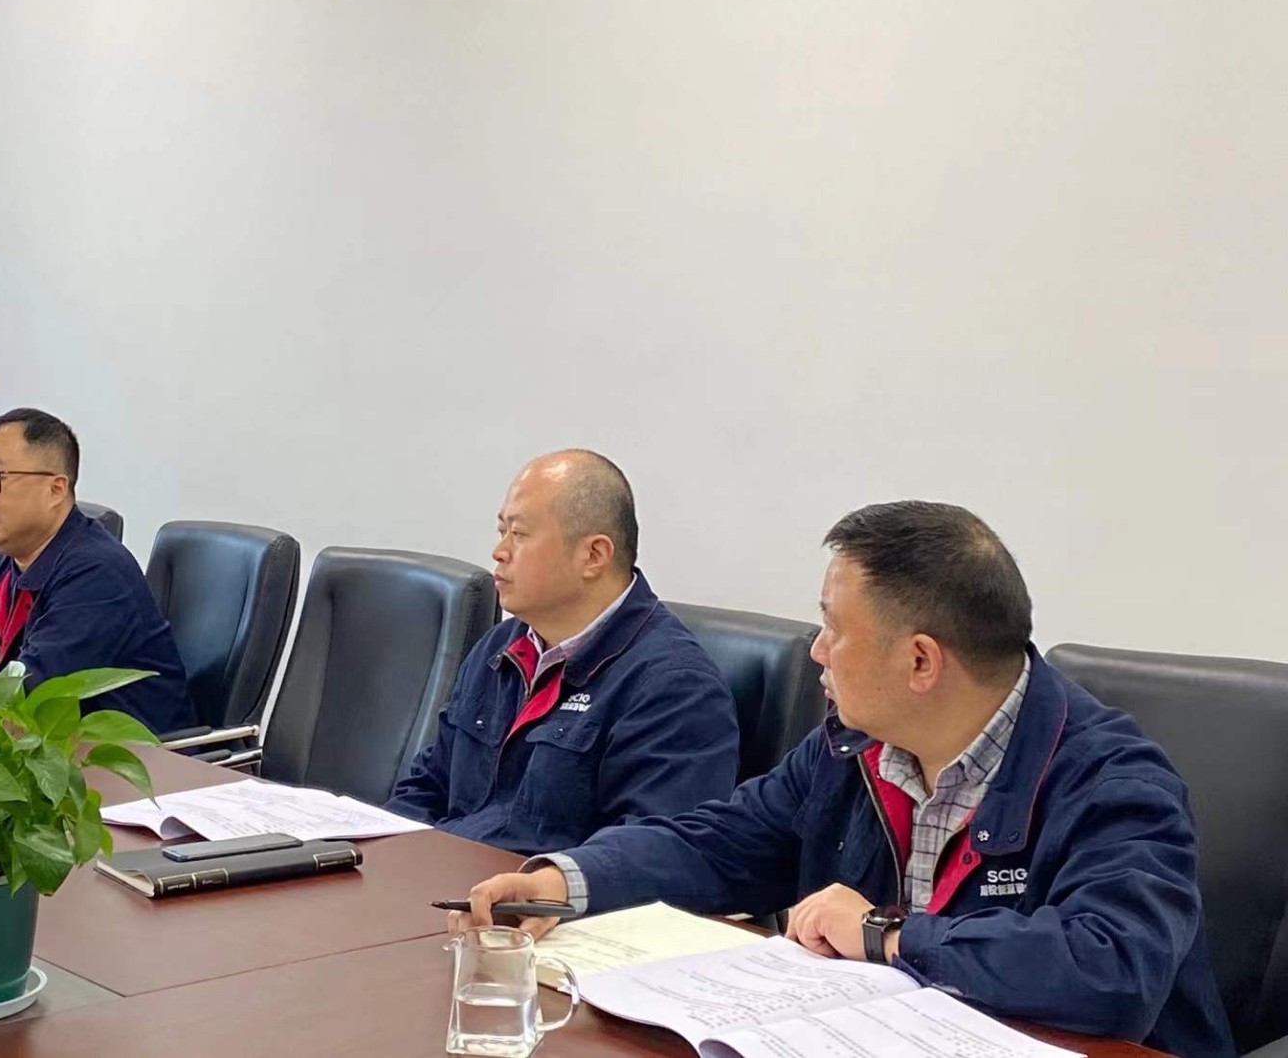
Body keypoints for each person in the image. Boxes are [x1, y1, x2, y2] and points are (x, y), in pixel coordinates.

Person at [456, 501, 1232, 1057]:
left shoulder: (1111, 778)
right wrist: (569, 879)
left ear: (921, 660)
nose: (816, 650)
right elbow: (721, 841)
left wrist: (886, 933)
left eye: (834, 626)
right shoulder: (852, 746)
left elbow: (1111, 966)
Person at [386, 450, 738, 855]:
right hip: (443, 876)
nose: (499, 551)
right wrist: (378, 854)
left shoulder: (675, 686)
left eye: (519, 534)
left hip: (532, 890)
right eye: (501, 531)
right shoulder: (500, 647)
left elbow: (654, 854)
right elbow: (429, 784)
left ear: (594, 556)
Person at [0, 407, 196, 733]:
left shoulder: (97, 574)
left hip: (136, 757)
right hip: (33, 748)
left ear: (56, 489)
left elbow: (29, 691)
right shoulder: (0, 567)